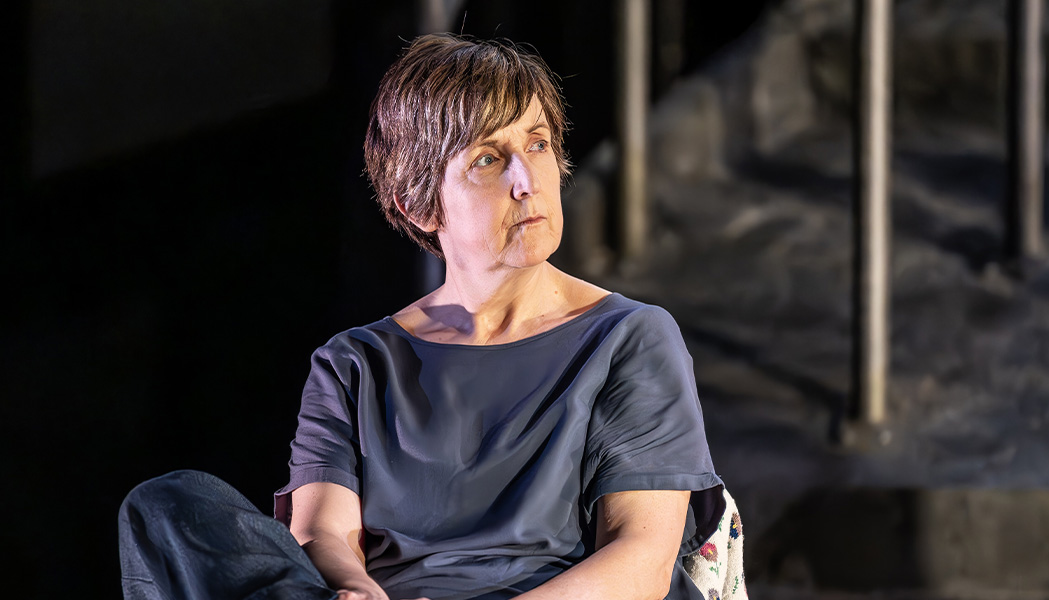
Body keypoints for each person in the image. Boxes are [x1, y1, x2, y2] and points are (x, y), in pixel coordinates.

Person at [119, 33, 730, 600]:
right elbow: (321, 537)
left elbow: (642, 561)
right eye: (488, 159)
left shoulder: (627, 337)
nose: (527, 181)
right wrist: (358, 590)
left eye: (537, 144)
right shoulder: (355, 363)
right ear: (420, 204)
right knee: (167, 503)